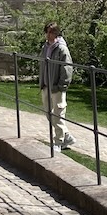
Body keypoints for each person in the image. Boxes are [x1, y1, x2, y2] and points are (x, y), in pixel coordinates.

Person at [39, 22, 75, 151]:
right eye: (48, 32)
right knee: (49, 114)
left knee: (58, 114)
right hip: (46, 85)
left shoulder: (61, 49)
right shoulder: (45, 47)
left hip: (57, 87)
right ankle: (66, 136)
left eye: (52, 32)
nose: (49, 35)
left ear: (56, 33)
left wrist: (62, 85)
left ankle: (58, 142)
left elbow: (67, 68)